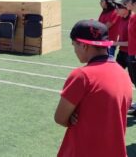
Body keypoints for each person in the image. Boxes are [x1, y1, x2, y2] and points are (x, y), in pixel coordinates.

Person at [55, 20, 132, 157]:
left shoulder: (82, 76)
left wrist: (71, 117)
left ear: (83, 45)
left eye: (74, 45)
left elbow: (60, 118)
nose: (75, 51)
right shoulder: (122, 73)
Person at [125, 0, 136, 114]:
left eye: (128, 1)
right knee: (134, 79)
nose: (126, 3)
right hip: (131, 54)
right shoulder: (132, 16)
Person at [114, 0, 131, 69]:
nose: (116, 10)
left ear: (127, 9)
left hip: (131, 54)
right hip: (121, 52)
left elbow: (132, 43)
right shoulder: (120, 19)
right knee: (116, 74)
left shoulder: (132, 21)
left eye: (119, 7)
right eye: (116, 7)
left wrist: (115, 43)